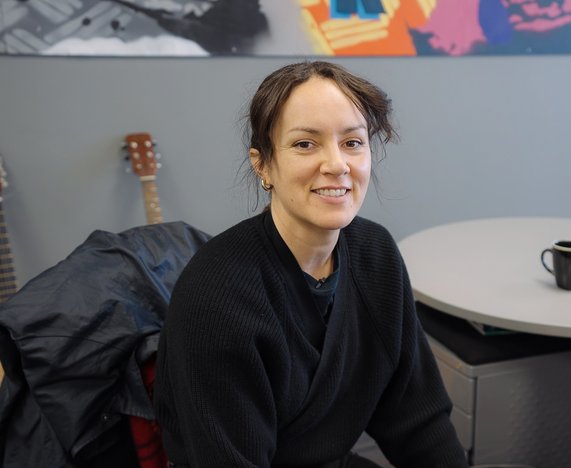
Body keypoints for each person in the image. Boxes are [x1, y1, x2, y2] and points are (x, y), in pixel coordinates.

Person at [154, 61, 467, 467]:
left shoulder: (376, 255)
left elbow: (417, 421)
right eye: (305, 144)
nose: (337, 164)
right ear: (263, 163)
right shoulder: (216, 298)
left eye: (353, 143)